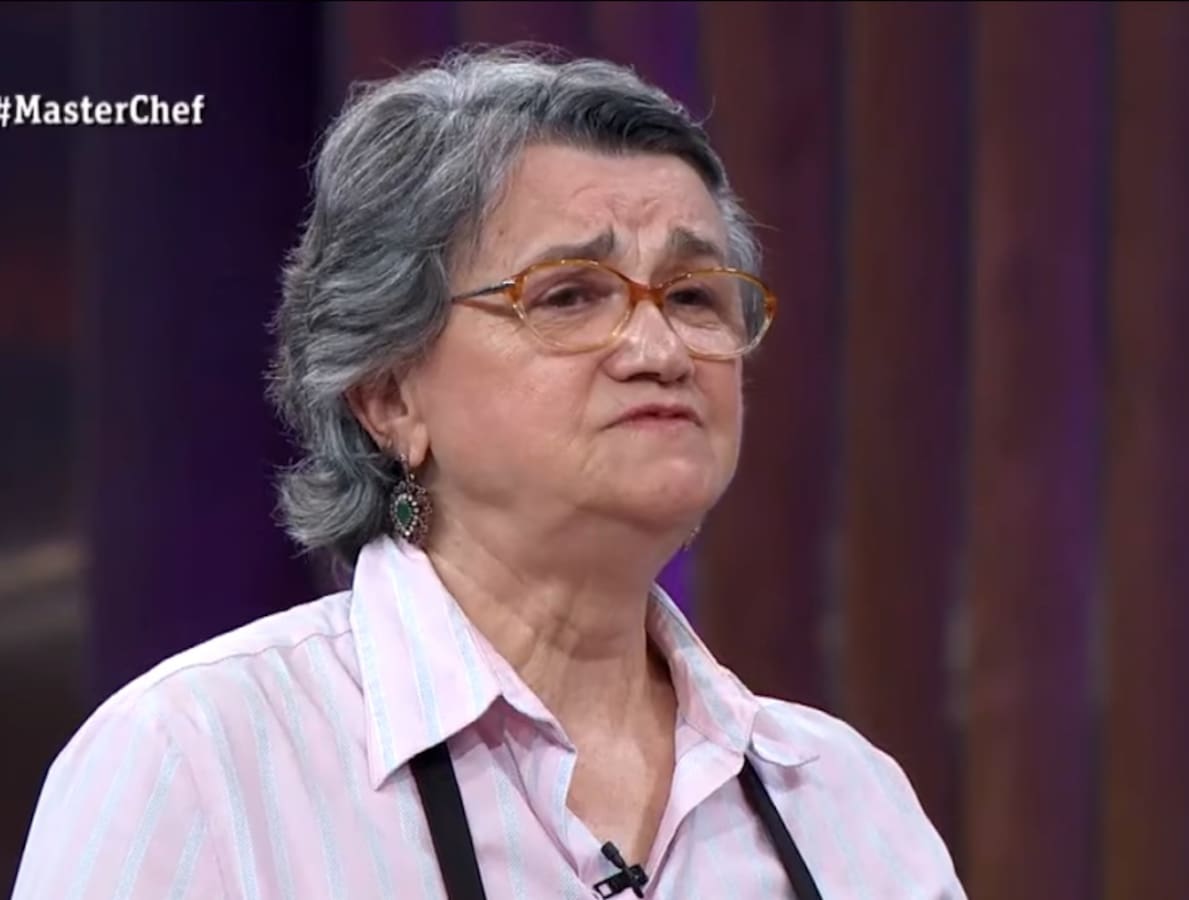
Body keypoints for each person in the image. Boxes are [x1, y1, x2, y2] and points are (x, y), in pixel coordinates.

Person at [13, 47, 966, 899]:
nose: (660, 349)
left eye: (693, 296)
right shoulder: (197, 762)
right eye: (570, 295)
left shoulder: (842, 803)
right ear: (390, 395)